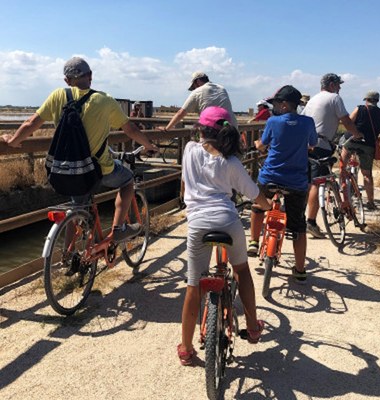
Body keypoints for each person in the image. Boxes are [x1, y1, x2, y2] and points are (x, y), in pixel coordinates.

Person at [2, 57, 158, 242]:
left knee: (76, 209)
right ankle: (119, 228)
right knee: (127, 181)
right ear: (90, 76)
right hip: (97, 168)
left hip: (67, 169)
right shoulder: (105, 100)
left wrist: (12, 140)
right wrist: (149, 146)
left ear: (67, 80)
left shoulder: (58, 96)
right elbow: (130, 130)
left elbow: (30, 123)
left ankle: (69, 257)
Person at [177, 106, 270, 366]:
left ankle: (185, 348)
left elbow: (185, 181)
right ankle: (252, 327)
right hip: (227, 220)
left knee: (194, 285)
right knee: (241, 269)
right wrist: (268, 206)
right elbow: (253, 194)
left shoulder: (189, 150)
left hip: (197, 223)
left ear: (201, 130)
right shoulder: (231, 162)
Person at [247, 85, 318, 284]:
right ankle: (300, 269)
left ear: (285, 105)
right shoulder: (307, 122)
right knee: (297, 225)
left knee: (258, 204)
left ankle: (253, 242)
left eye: (277, 103)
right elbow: (312, 143)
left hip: (271, 176)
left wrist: (257, 146)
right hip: (296, 180)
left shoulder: (273, 121)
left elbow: (262, 145)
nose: (275, 107)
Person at [302, 73, 363, 238]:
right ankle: (311, 222)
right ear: (331, 84)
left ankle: (300, 218)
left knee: (306, 182)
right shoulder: (334, 98)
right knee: (317, 182)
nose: (340, 88)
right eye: (338, 84)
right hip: (321, 145)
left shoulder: (313, 100)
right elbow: (346, 121)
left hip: (305, 145)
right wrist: (357, 134)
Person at [341, 91, 380, 210]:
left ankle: (343, 192)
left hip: (352, 140)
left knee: (342, 164)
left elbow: (349, 121)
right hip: (368, 144)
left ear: (366, 99)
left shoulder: (360, 108)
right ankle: (371, 202)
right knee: (367, 175)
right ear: (377, 100)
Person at [162, 71, 238, 131]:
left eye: (194, 86)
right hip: (232, 128)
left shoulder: (198, 91)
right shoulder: (221, 88)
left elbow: (181, 113)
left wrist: (167, 128)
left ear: (197, 81)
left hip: (215, 131)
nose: (194, 88)